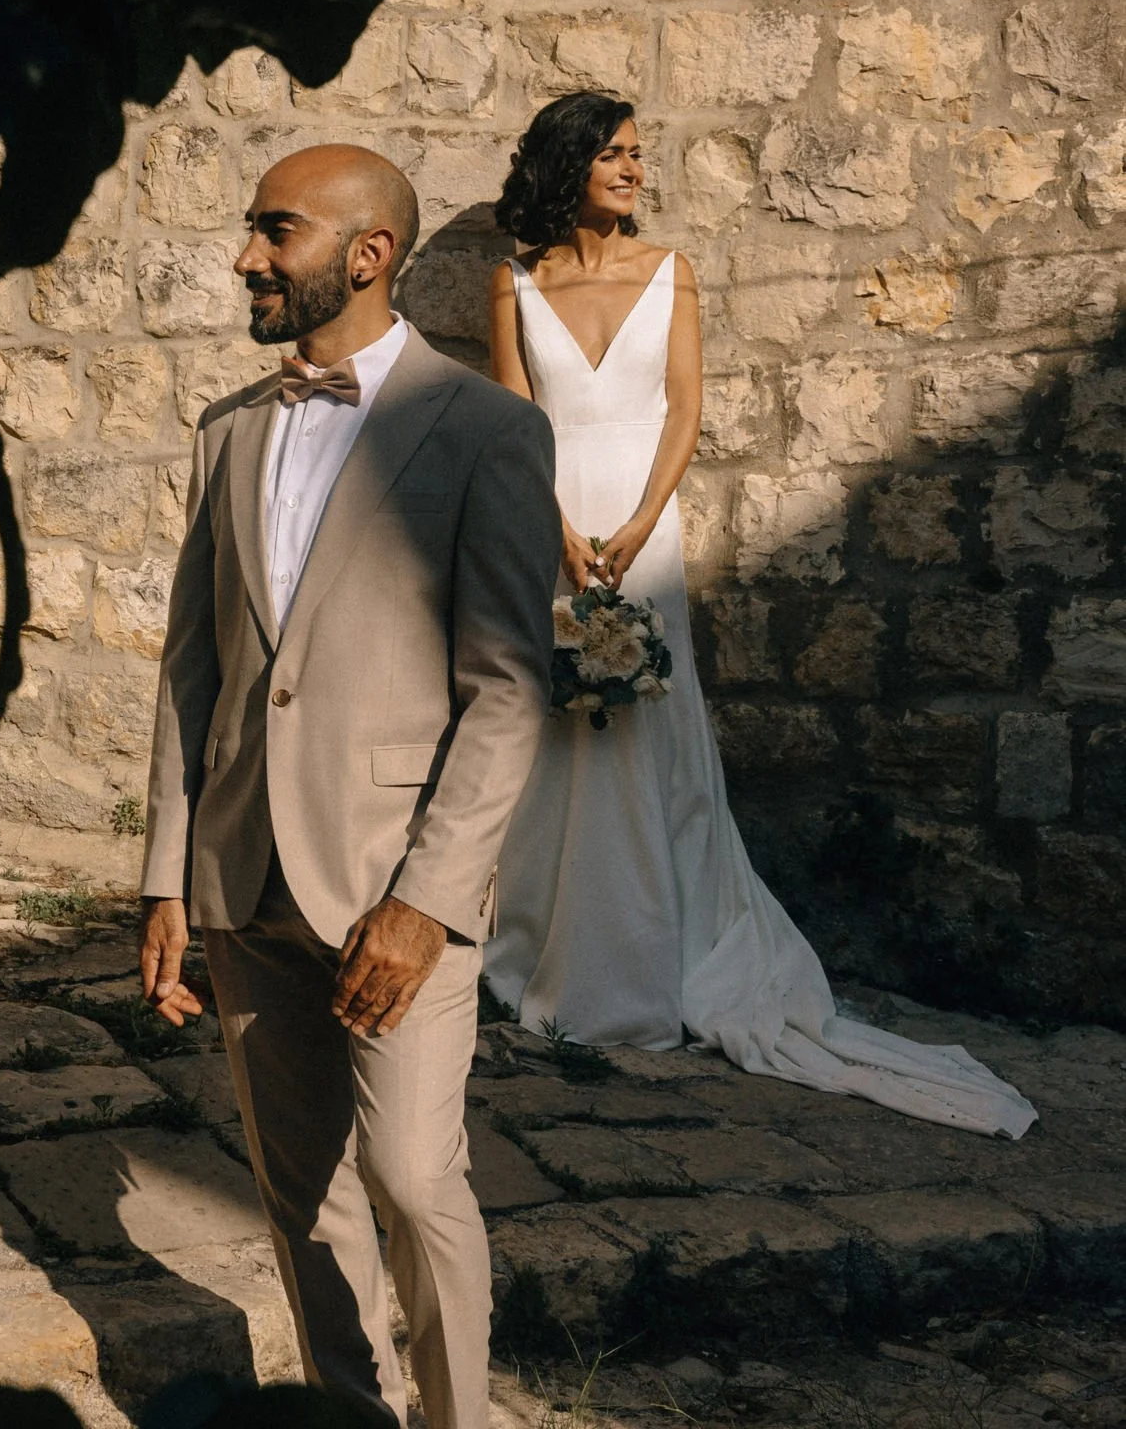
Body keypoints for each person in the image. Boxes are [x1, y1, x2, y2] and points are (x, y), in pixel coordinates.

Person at [480, 92, 1037, 1140]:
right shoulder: (513, 284)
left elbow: (687, 408)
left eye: (641, 154)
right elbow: (513, 422)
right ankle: (546, 947)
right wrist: (555, 530)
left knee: (650, 721)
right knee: (556, 720)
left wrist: (641, 524)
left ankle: (658, 951)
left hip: (642, 520)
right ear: (569, 164)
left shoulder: (670, 272)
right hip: (545, 520)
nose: (636, 170)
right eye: (615, 154)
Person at [138, 143, 562, 1429]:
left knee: (414, 1180)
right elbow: (191, 670)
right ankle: (345, 1414)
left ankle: (453, 1420)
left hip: (395, 880)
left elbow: (506, 690)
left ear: (367, 254)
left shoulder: (489, 431)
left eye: (276, 231)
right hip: (238, 874)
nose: (245, 258)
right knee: (296, 1185)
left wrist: (427, 900)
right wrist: (166, 877)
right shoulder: (227, 431)